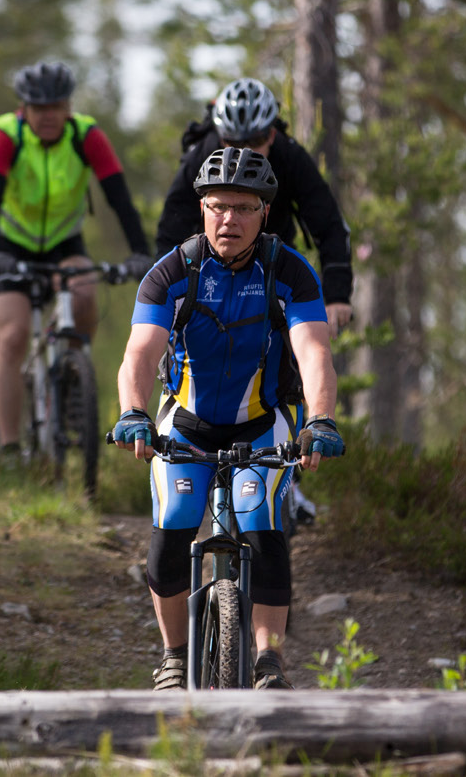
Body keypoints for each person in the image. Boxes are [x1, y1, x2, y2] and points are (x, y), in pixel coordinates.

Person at [112, 147, 346, 690]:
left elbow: (313, 352)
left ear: (265, 213)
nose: (229, 219)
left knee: (260, 522)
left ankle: (268, 659)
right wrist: (133, 412)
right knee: (173, 529)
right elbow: (139, 355)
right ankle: (174, 656)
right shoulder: (170, 272)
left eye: (244, 208)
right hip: (186, 424)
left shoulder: (288, 271)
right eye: (218, 206)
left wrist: (322, 420)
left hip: (262, 423)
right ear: (201, 208)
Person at [157, 77, 356, 525]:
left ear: (274, 133)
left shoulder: (289, 156)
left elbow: (329, 226)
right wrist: (165, 296)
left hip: (278, 273)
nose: (248, 148)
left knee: (291, 361)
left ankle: (289, 478)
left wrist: (338, 296)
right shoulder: (200, 155)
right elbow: (170, 229)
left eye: (259, 141)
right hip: (206, 275)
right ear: (219, 135)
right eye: (234, 141)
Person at [0, 60, 155, 453]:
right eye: (39, 109)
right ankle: (9, 448)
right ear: (24, 109)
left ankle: (75, 382)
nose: (48, 116)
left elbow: (118, 197)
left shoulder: (85, 135)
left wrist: (140, 252)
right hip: (9, 244)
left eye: (56, 107)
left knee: (85, 295)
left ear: (68, 107)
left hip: (64, 243)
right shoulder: (5, 134)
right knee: (14, 334)